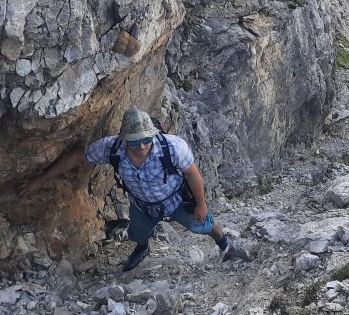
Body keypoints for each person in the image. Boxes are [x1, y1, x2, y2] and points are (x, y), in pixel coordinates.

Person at [18, 108, 232, 271]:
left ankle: (224, 243)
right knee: (137, 233)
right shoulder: (112, 148)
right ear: (124, 138)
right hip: (142, 204)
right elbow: (76, 157)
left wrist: (201, 204)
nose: (142, 146)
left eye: (146, 139)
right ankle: (142, 248)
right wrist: (40, 180)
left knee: (204, 224)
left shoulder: (173, 146)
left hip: (175, 198)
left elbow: (192, 173)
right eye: (134, 142)